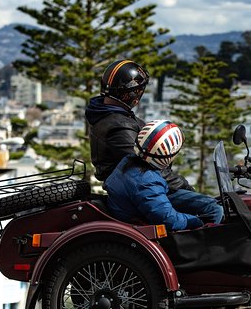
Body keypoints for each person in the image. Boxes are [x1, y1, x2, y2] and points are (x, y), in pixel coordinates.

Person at [85, 59, 223, 225]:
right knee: (214, 209)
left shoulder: (105, 113)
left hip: (132, 186)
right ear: (134, 95)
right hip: (137, 190)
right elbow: (146, 164)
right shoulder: (118, 127)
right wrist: (184, 186)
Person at [104, 120, 219, 231]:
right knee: (215, 210)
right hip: (143, 219)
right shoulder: (147, 181)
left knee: (211, 206)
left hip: (135, 207)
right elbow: (169, 220)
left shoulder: (129, 161)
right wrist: (199, 222)